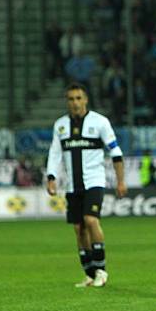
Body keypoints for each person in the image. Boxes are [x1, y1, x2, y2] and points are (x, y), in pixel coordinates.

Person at [46, 83, 127, 288]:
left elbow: (115, 152)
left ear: (86, 99)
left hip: (94, 181)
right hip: (72, 185)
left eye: (78, 98)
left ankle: (101, 270)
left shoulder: (100, 122)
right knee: (78, 228)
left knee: (91, 220)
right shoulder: (60, 125)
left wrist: (120, 181)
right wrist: (51, 176)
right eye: (71, 99)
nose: (75, 103)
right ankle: (89, 274)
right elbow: (55, 153)